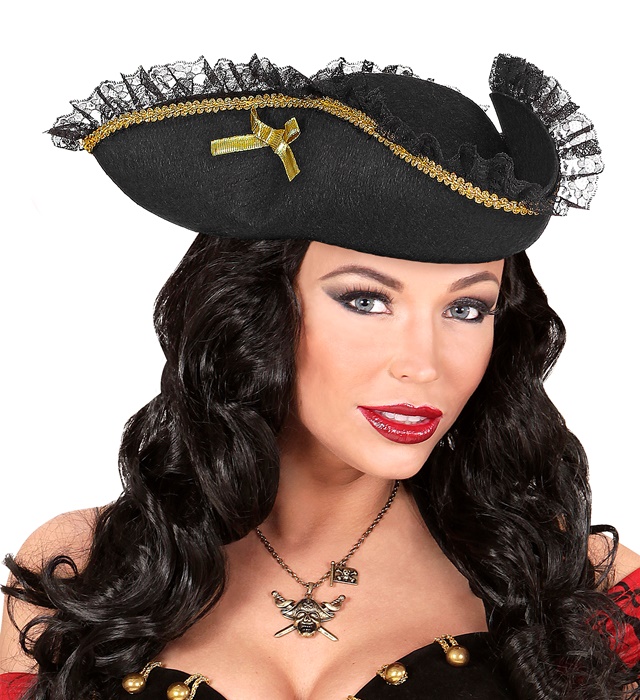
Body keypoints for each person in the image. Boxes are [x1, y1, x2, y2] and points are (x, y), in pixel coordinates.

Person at [0, 53, 638, 700]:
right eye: (366, 299)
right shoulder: (86, 566)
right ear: (258, 309)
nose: (423, 362)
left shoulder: (582, 586)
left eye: (466, 309)